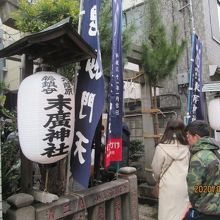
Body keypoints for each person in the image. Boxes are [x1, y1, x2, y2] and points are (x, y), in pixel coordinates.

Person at [151, 119, 190, 220]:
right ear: (183, 130)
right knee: (182, 213)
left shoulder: (161, 148)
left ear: (167, 130)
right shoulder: (187, 147)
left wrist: (157, 179)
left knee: (167, 214)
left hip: (167, 187)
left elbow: (156, 169)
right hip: (184, 185)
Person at [185, 120, 220, 220]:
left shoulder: (199, 157)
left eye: (188, 136)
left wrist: (196, 204)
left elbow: (194, 189)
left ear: (195, 137)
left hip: (207, 211)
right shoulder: (215, 151)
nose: (187, 140)